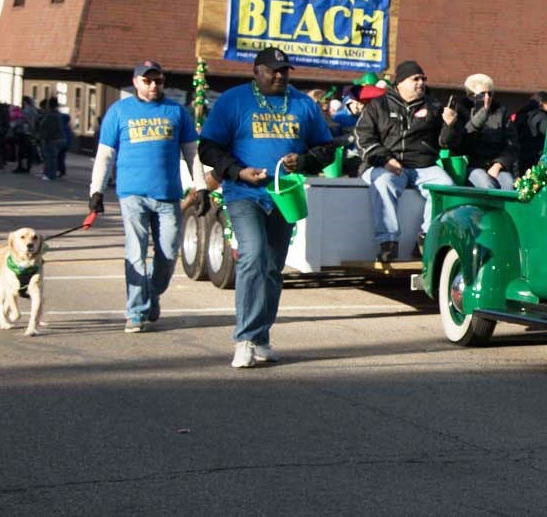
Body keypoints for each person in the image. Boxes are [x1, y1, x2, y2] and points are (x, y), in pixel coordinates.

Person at [199, 47, 334, 368]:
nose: (279, 76)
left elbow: (327, 148)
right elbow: (208, 147)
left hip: (284, 194)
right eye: (273, 70)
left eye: (284, 70)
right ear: (256, 71)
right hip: (243, 192)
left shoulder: (303, 104)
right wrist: (237, 171)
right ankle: (244, 339)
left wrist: (304, 160)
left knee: (273, 267)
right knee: (254, 255)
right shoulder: (233, 101)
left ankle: (261, 337)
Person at [89, 60, 209, 333]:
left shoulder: (177, 111)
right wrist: (95, 190)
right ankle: (135, 311)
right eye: (148, 81)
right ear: (136, 82)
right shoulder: (119, 112)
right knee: (136, 251)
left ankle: (151, 294)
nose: (154, 85)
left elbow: (192, 152)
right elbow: (105, 155)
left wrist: (200, 185)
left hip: (168, 194)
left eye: (159, 81)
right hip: (132, 194)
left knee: (168, 255)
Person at [355, 60, 460, 263]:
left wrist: (450, 126)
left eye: (423, 79)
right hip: (386, 164)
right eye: (415, 79)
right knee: (383, 183)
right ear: (400, 82)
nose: (421, 83)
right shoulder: (379, 105)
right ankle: (388, 243)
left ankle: (425, 239)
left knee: (446, 188)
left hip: (423, 166)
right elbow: (363, 137)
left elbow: (445, 144)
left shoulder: (434, 106)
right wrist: (385, 159)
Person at [458, 73, 517, 189]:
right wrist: (482, 113)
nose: (487, 97)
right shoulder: (461, 111)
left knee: (509, 185)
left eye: (489, 93)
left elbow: (512, 144)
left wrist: (499, 164)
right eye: (482, 94)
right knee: (487, 185)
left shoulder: (500, 112)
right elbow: (463, 138)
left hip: (495, 163)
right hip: (471, 165)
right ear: (470, 95)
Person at [512, 90, 547, 174]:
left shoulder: (522, 115)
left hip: (521, 159)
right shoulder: (540, 116)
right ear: (542, 103)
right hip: (536, 158)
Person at [36, 98, 66, 180]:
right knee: (52, 158)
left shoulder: (51, 115)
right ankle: (50, 173)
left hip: (52, 139)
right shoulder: (57, 114)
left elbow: (49, 129)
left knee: (50, 158)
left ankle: (50, 175)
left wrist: (44, 138)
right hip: (58, 138)